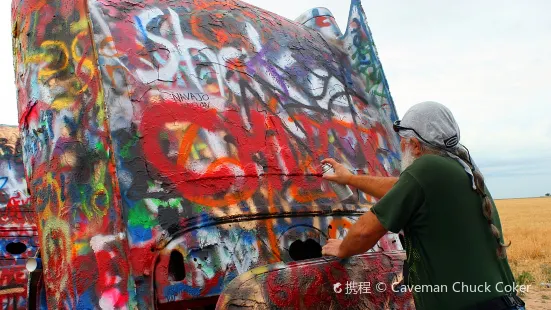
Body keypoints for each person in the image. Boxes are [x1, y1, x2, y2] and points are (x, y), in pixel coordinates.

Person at [321, 102, 525, 310]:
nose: (401, 148)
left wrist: (343, 247)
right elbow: (397, 188)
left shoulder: (426, 168)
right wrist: (350, 179)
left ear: (416, 146)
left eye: (403, 142)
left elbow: (365, 231)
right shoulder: (456, 168)